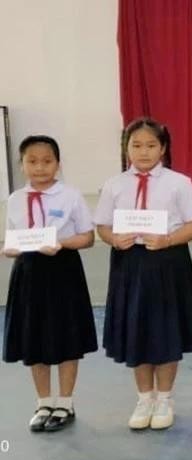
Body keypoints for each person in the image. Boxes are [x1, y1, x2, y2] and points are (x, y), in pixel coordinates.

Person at [94, 117, 192, 430]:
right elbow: (102, 225)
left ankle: (165, 397)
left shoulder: (178, 183)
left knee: (166, 330)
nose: (143, 152)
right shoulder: (114, 185)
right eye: (136, 145)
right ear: (126, 148)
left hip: (168, 262)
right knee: (137, 329)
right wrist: (114, 238)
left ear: (163, 148)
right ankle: (144, 398)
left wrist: (169, 239)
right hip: (129, 264)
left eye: (151, 145)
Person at [2, 135, 97, 432]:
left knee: (66, 337)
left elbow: (88, 237)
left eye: (47, 161)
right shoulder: (16, 199)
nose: (40, 168)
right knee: (34, 337)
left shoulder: (70, 195)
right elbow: (11, 240)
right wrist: (10, 248)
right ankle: (43, 402)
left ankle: (65, 403)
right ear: (21, 164)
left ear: (57, 163)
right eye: (32, 161)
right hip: (28, 272)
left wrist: (61, 242)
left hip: (62, 270)